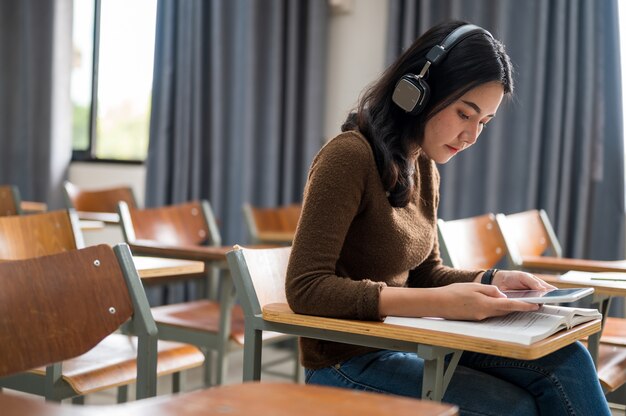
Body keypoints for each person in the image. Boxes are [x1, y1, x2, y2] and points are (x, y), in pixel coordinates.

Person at [285, 20, 610, 416]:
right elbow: (306, 288)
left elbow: (425, 273)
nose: (472, 135)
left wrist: (489, 279)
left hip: (406, 338)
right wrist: (438, 302)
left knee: (570, 362)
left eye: (483, 123)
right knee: (516, 408)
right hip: (347, 360)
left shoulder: (423, 167)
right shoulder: (348, 156)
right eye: (464, 114)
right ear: (417, 93)